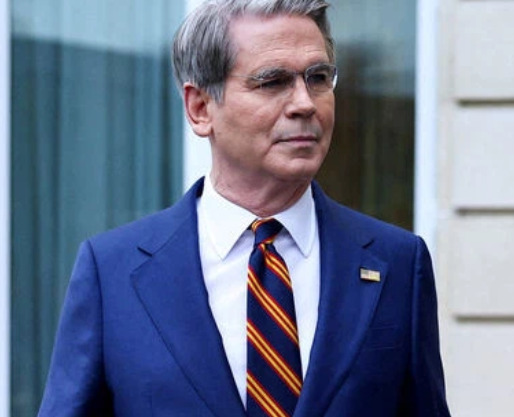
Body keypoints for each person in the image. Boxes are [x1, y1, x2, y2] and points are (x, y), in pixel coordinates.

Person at [37, 0, 450, 416]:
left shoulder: (397, 264)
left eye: (318, 78)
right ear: (200, 109)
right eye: (273, 82)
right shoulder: (112, 273)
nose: (305, 103)